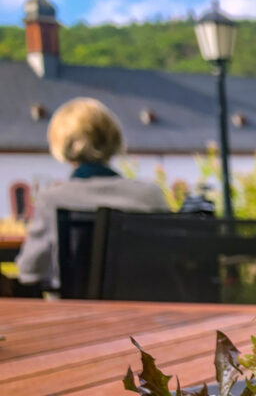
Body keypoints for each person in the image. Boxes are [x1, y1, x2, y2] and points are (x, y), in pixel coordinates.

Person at [15, 97, 168, 291]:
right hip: (140, 313)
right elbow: (166, 266)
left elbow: (30, 271)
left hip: (74, 316)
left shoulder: (52, 200)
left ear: (61, 144)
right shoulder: (150, 195)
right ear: (114, 138)